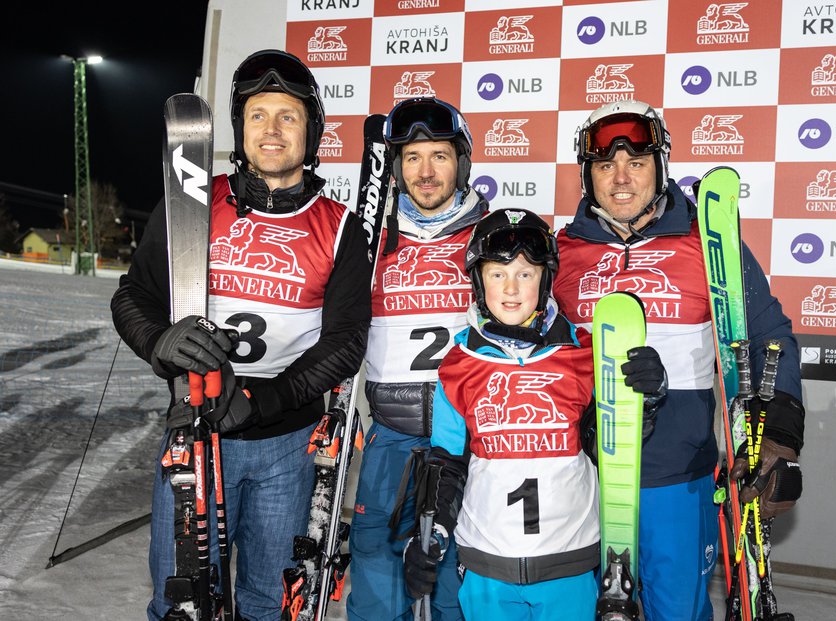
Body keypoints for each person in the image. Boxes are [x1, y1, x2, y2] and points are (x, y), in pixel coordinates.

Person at [111, 49, 371, 621]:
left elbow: (347, 340)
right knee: (180, 601)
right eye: (257, 116)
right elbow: (134, 296)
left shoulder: (340, 226)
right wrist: (159, 341)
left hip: (288, 442)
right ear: (239, 129)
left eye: (288, 116)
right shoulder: (195, 205)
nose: (272, 130)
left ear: (312, 132)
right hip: (197, 429)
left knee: (265, 600)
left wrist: (263, 402)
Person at [552, 100, 805, 620]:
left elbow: (768, 334)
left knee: (677, 611)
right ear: (587, 176)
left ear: (660, 166)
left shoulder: (705, 244)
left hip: (679, 474)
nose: (621, 179)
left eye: (636, 164)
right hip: (579, 475)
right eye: (605, 166)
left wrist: (776, 439)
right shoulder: (562, 251)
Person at [401, 208, 667, 620]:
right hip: (487, 563)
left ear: (545, 279)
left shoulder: (584, 353)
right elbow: (447, 462)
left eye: (525, 273)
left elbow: (611, 447)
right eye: (497, 273)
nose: (511, 288)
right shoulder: (458, 363)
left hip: (569, 562)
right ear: (478, 281)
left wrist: (644, 399)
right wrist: (428, 535)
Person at [346, 97, 488, 621]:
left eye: (440, 157)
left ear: (462, 163)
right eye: (411, 158)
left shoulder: (491, 237)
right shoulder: (365, 239)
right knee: (376, 570)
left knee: (452, 579)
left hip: (467, 440)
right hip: (391, 434)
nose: (426, 172)